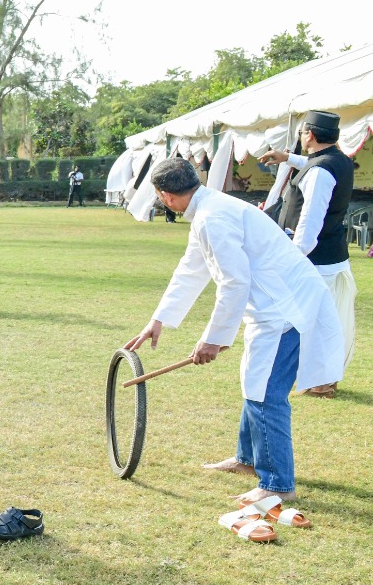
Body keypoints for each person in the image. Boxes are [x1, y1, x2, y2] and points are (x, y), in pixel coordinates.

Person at [125, 158, 343, 510]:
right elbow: (192, 268)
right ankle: (247, 459)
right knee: (253, 384)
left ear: (165, 196)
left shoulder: (213, 217)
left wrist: (214, 338)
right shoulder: (209, 210)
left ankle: (277, 484)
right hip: (277, 304)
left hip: (284, 309)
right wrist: (159, 319)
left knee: (265, 394)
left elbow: (235, 280)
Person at [259, 110, 356, 398]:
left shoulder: (321, 172)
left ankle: (321, 382)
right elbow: (314, 164)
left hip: (315, 259)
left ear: (309, 135)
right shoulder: (338, 161)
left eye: (302, 132)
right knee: (322, 321)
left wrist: (293, 257)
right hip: (329, 256)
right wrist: (287, 158)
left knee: (313, 323)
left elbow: (309, 222)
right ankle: (322, 378)